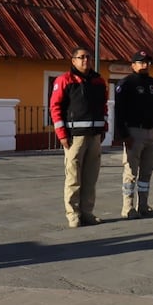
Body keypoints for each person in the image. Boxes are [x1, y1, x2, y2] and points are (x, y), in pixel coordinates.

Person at [49, 46, 108, 228]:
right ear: (73, 60)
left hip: (95, 136)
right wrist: (62, 135)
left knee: (90, 177)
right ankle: (73, 215)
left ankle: (87, 213)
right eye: (81, 57)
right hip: (75, 138)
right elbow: (55, 108)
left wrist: (104, 127)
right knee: (74, 178)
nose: (85, 61)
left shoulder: (99, 81)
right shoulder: (64, 80)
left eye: (88, 57)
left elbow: (104, 106)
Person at [115, 50, 153, 219]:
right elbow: (119, 111)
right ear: (133, 65)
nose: (145, 65)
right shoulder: (126, 83)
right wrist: (123, 134)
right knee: (130, 172)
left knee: (147, 172)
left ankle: (143, 205)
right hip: (134, 132)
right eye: (141, 62)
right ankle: (127, 207)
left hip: (152, 132)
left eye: (147, 62)